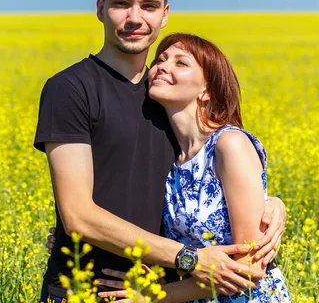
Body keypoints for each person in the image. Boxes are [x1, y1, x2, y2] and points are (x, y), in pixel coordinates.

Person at [34, 0, 287, 303]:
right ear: (99, 7)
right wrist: (189, 258)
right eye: (121, 3)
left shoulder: (167, 100)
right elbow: (79, 216)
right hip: (84, 291)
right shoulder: (71, 89)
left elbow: (217, 176)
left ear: (165, 14)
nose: (134, 18)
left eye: (149, 6)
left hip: (162, 293)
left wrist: (272, 205)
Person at [94, 33, 291, 302]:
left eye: (180, 63)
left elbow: (249, 269)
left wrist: (155, 296)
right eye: (161, 59)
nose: (162, 66)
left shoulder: (229, 145)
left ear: (207, 90)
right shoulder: (170, 158)